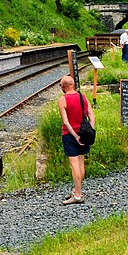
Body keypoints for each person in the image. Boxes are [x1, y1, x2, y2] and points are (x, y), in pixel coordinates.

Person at [57, 74, 94, 205]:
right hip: (84, 133)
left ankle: (77, 195)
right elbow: (91, 114)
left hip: (70, 135)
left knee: (74, 165)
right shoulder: (82, 96)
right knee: (81, 162)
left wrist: (75, 136)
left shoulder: (63, 100)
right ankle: (77, 189)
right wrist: (90, 131)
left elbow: (66, 122)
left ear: (63, 87)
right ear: (73, 84)